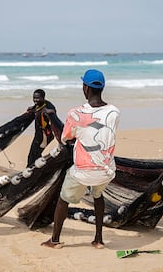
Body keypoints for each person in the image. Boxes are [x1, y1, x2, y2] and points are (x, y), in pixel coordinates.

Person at [41, 69, 120, 249]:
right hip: (107, 170)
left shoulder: (75, 113)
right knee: (98, 196)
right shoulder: (114, 112)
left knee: (63, 199)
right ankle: (98, 239)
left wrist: (53, 116)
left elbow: (66, 137)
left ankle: (54, 240)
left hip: (83, 172)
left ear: (85, 88)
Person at [26, 89, 56, 167]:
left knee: (33, 156)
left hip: (44, 136)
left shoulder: (48, 107)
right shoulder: (39, 105)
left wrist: (50, 112)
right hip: (38, 134)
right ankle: (38, 170)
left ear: (43, 98)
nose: (35, 100)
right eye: (34, 98)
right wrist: (32, 108)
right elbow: (36, 107)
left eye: (37, 98)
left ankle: (31, 171)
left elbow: (53, 112)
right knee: (34, 155)